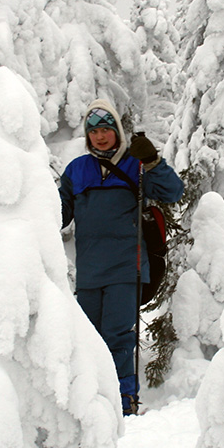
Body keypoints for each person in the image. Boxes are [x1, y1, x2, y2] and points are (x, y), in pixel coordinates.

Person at [59, 99, 184, 416]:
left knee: (117, 336)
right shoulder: (77, 170)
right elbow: (57, 214)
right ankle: (92, 400)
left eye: (106, 129)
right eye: (94, 131)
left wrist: (153, 161)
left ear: (116, 131)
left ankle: (124, 399)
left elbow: (172, 192)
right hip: (89, 271)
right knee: (87, 339)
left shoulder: (135, 164)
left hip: (126, 268)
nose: (100, 137)